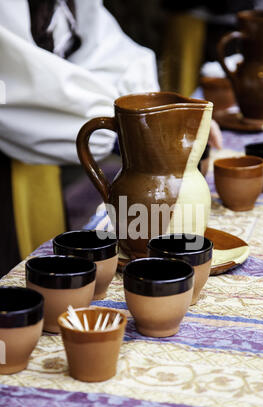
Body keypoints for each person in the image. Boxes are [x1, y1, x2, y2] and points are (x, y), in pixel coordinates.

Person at [0, 0, 221, 276]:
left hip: (44, 164)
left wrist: (164, 118)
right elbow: (16, 81)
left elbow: (109, 48)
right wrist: (132, 133)